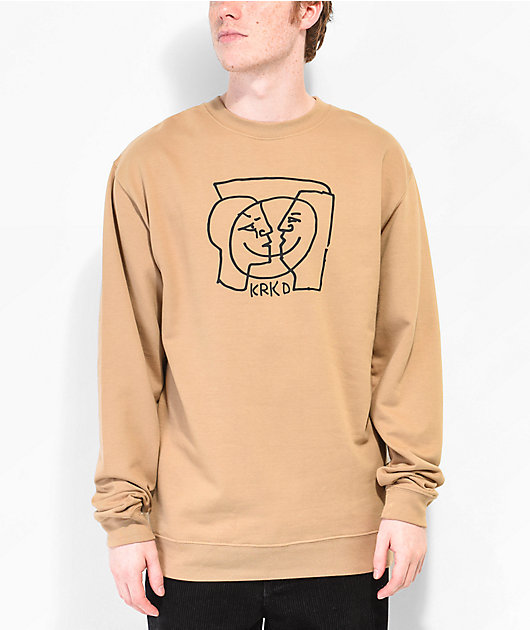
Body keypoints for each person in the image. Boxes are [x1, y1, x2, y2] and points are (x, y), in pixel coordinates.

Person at [91, 2, 445, 628]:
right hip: (191, 549)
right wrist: (125, 520)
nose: (226, 8)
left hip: (344, 541)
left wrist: (408, 498)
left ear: (308, 9)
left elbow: (405, 341)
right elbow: (130, 356)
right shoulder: (149, 165)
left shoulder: (373, 158)